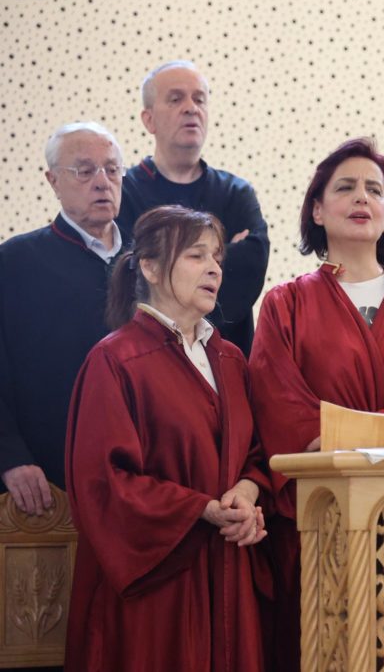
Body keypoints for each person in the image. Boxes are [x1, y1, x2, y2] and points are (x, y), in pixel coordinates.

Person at [248, 137, 384, 672]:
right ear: (317, 210)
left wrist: (353, 434)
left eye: (374, 190)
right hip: (324, 515)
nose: (361, 197)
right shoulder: (286, 304)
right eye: (345, 187)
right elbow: (284, 408)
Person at [64, 206, 269, 671]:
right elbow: (104, 484)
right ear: (151, 268)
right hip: (155, 585)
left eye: (217, 257)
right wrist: (200, 509)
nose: (214, 268)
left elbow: (256, 454)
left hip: (228, 572)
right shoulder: (114, 361)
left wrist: (246, 493)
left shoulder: (231, 360)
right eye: (196, 255)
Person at [0, 122, 125, 516]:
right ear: (52, 180)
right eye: (85, 171)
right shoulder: (15, 262)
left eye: (112, 169)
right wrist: (10, 456)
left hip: (142, 479)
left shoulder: (151, 263)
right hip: (46, 480)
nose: (102, 182)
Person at [117, 60, 269, 355]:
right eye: (176, 99)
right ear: (149, 120)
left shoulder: (236, 193)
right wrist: (226, 253)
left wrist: (169, 264)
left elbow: (248, 271)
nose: (191, 108)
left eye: (199, 99)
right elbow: (126, 279)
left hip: (224, 357)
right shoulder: (125, 193)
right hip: (147, 356)